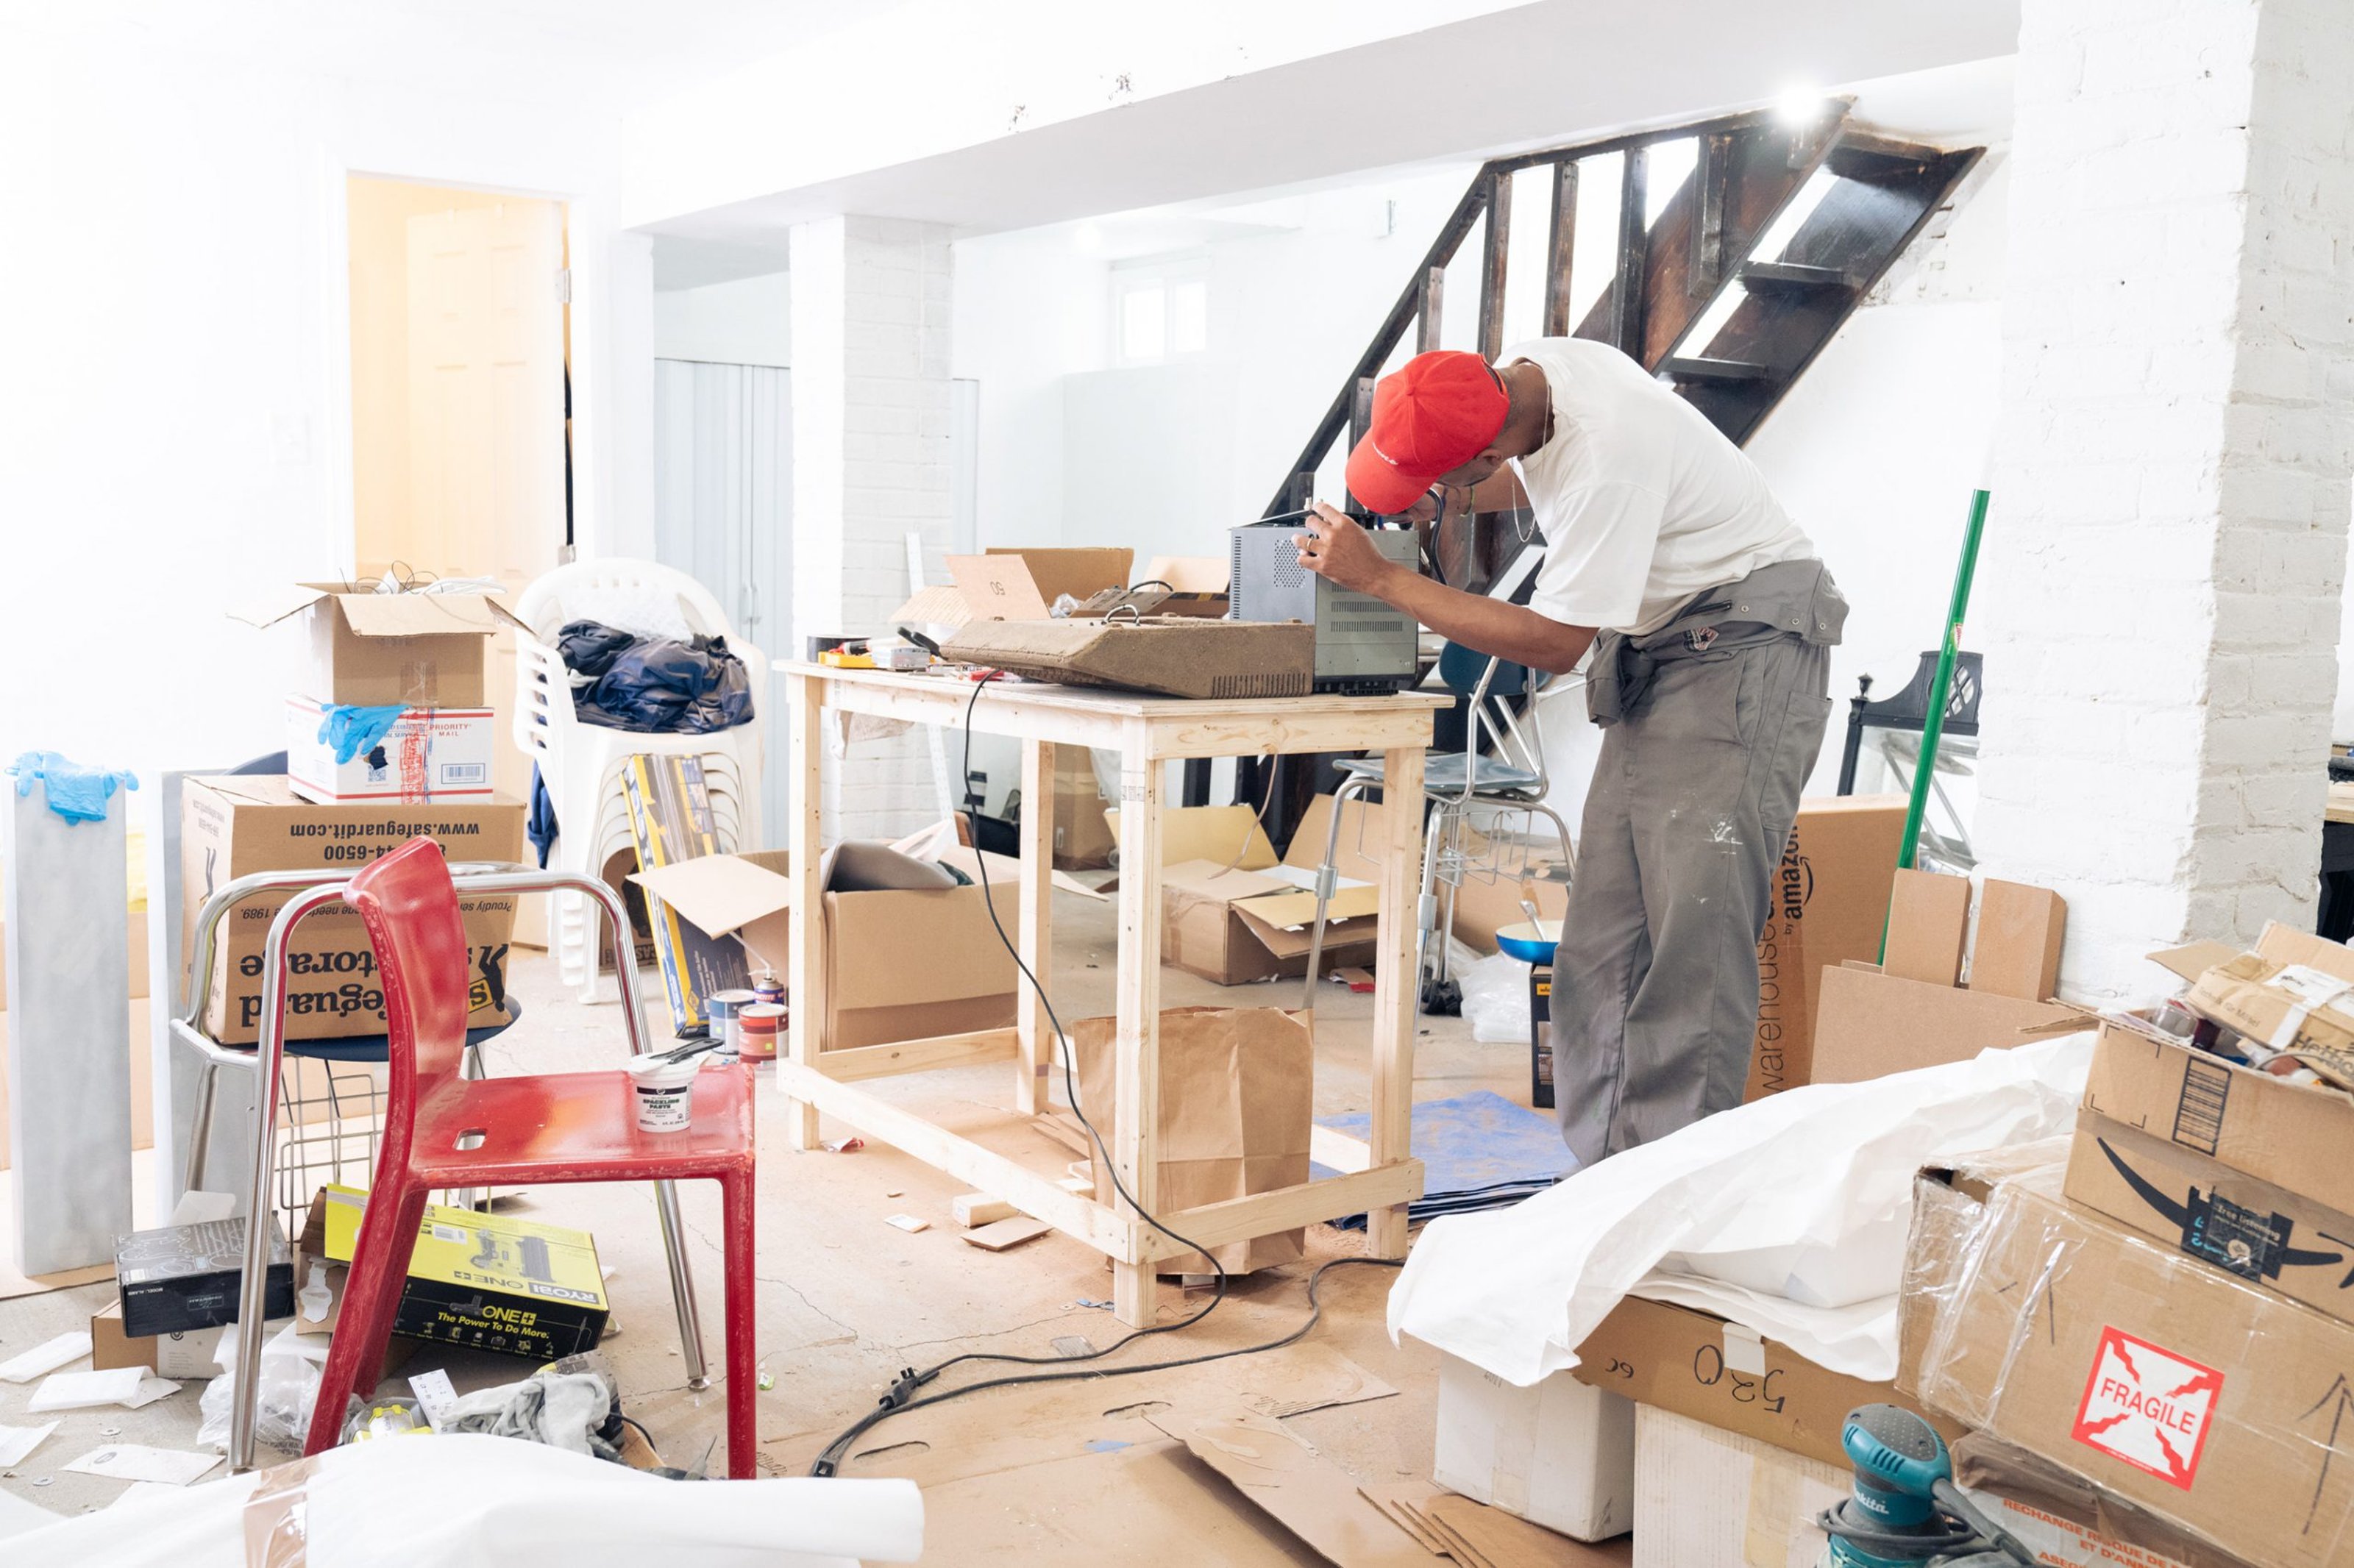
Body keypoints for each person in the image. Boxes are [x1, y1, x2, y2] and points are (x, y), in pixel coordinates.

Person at [1295, 342, 1844, 1163]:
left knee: (1688, 946)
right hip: (1668, 646)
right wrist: (1429, 489)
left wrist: (1382, 581)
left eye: (1445, 481)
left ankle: (1668, 1197)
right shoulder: (1537, 372)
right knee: (1601, 946)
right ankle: (1604, 1179)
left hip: (1744, 649)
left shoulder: (1607, 456)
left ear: (1483, 450)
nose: (1438, 495)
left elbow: (1553, 642)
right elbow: (1526, 469)